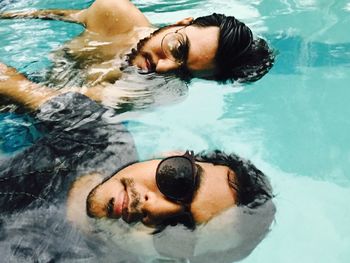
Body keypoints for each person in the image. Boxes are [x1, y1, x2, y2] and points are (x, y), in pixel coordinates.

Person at [0, 62, 275, 262]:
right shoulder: (100, 135)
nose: (152, 205)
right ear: (174, 154)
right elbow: (10, 83)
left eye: (180, 231)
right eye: (177, 179)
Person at [0, 0, 275, 87]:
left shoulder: (154, 93)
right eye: (178, 48)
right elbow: (45, 14)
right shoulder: (115, 13)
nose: (164, 68)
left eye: (184, 73)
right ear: (181, 22)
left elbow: (59, 106)